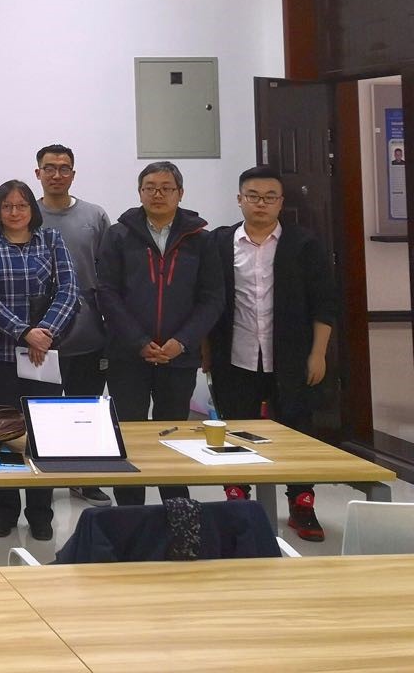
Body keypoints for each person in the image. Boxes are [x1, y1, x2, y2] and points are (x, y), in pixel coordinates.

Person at [210, 165, 341, 541]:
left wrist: (319, 353)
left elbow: (324, 303)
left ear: (281, 202)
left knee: (298, 430)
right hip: (235, 357)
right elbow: (209, 301)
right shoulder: (220, 243)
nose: (261, 203)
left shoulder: (304, 244)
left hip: (292, 357)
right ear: (239, 199)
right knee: (236, 431)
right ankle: (238, 502)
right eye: (253, 196)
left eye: (270, 197)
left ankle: (301, 504)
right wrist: (206, 353)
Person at [97, 161, 223, 507]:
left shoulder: (201, 239)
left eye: (166, 188)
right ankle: (129, 512)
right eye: (150, 187)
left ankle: (176, 509)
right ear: (139, 193)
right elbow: (107, 293)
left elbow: (212, 298)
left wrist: (182, 342)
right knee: (128, 435)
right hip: (127, 355)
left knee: (174, 435)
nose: (158, 194)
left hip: (178, 357)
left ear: (180, 193)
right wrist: (138, 342)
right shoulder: (118, 235)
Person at [0, 179, 77, 542]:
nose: (15, 212)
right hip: (1, 356)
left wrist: (44, 332)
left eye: (21, 205)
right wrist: (23, 332)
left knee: (43, 436)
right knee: (2, 435)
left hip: (43, 356)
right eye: (7, 206)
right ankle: (4, 510)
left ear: (32, 209)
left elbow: (69, 289)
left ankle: (40, 513)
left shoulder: (51, 240)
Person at [33, 143, 112, 507]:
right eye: (49, 168)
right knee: (43, 409)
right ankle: (41, 481)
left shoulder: (94, 216)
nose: (57, 175)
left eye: (64, 168)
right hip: (40, 332)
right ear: (38, 173)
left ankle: (84, 477)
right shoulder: (26, 214)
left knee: (85, 407)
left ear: (73, 174)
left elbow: (108, 271)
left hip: (87, 329)